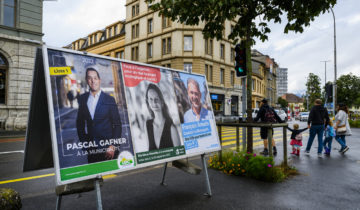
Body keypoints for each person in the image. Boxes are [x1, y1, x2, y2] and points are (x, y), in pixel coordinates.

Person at [76, 67, 122, 163]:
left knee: (112, 177)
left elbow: (117, 125)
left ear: (99, 80)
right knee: (94, 177)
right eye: (90, 78)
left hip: (108, 150)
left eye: (95, 78)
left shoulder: (109, 99)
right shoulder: (82, 99)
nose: (93, 81)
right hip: (92, 150)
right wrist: (85, 143)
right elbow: (79, 124)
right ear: (87, 80)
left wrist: (113, 146)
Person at [145, 83, 181, 150]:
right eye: (151, 99)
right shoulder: (148, 125)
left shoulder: (172, 127)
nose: (154, 102)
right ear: (148, 102)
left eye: (156, 98)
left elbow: (179, 154)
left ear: (161, 101)